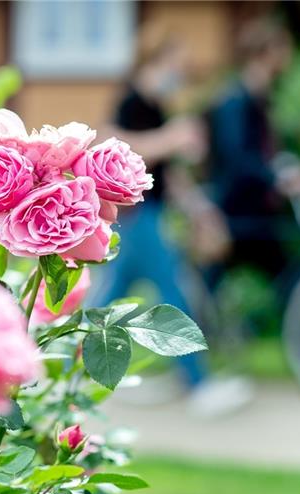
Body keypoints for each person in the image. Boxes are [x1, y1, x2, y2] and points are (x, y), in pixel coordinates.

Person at [91, 23, 253, 417]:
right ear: (157, 60)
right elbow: (118, 144)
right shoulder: (131, 102)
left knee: (102, 308)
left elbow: (165, 173)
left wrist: (198, 204)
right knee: (174, 294)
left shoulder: (157, 108)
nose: (178, 74)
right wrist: (174, 138)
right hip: (137, 217)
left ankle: (52, 371)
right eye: (176, 65)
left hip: (149, 215)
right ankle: (199, 386)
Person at [205, 17, 300, 289]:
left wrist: (293, 172)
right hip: (238, 213)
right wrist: (279, 179)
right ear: (265, 53)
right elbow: (239, 158)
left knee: (289, 277)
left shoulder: (259, 100)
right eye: (283, 49)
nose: (289, 57)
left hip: (256, 211)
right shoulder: (235, 101)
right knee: (288, 278)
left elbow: (267, 154)